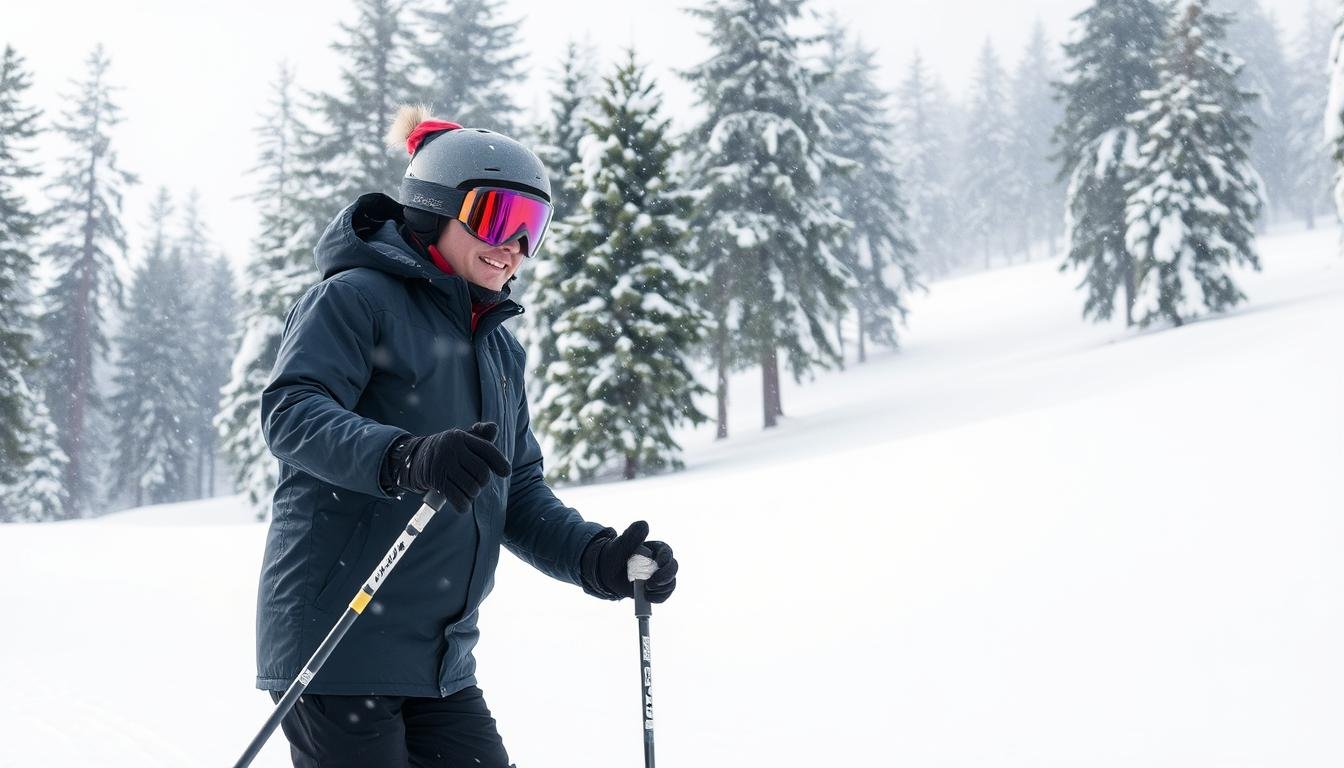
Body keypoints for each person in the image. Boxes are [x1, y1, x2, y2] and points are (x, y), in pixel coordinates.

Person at [254, 105, 679, 768]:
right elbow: (292, 410)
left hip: (440, 660)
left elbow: (518, 492)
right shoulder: (355, 299)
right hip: (337, 647)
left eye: (530, 226)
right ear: (431, 209)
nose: (512, 243)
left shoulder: (498, 350)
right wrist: (403, 456)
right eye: (494, 217)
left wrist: (597, 558)